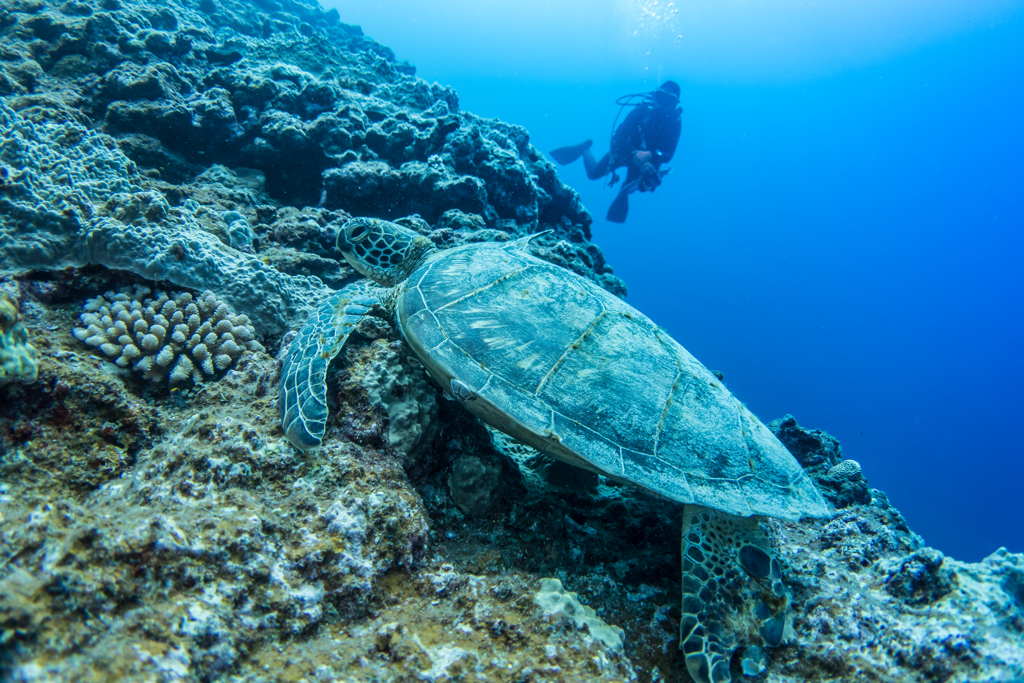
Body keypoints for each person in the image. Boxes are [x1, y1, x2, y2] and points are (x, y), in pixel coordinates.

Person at [551, 80, 682, 223]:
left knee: (647, 182)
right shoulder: (639, 112)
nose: (664, 102)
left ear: (676, 104)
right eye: (661, 96)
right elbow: (620, 139)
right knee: (593, 173)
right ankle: (585, 148)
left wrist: (649, 155)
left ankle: (631, 185)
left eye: (670, 99)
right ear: (654, 96)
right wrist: (635, 156)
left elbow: (668, 154)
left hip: (650, 160)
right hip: (624, 152)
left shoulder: (675, 123)